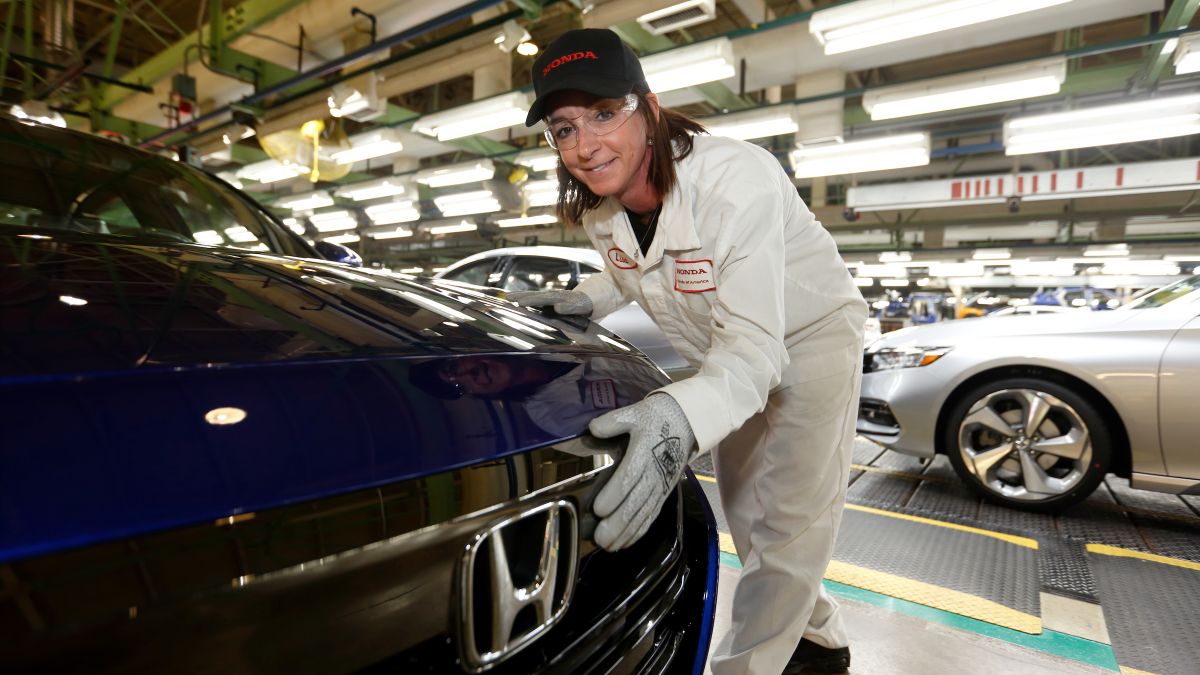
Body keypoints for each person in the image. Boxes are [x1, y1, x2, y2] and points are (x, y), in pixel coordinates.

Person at [509, 28, 868, 675]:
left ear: (646, 105)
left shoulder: (737, 182)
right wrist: (589, 297)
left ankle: (753, 664)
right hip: (726, 357)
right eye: (563, 129)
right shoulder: (602, 211)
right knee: (748, 515)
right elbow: (633, 268)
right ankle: (818, 629)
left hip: (809, 340)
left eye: (602, 114)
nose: (584, 147)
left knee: (788, 524)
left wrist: (678, 414)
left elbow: (758, 348)